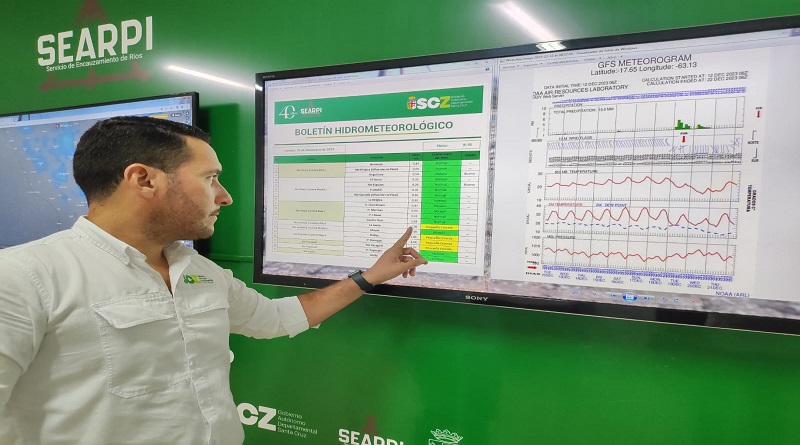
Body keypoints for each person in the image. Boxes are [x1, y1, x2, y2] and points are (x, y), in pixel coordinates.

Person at [0, 116, 427, 444]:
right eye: (210, 178)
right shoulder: (24, 277)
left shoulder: (197, 269)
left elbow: (275, 319)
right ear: (143, 179)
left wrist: (370, 276)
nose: (225, 196)